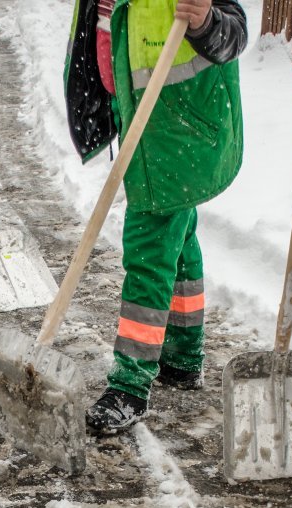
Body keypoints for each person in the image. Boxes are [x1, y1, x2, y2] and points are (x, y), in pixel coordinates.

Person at [64, 0, 247, 436]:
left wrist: (205, 20)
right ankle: (183, 356)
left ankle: (130, 384)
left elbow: (234, 34)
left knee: (149, 249)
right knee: (176, 240)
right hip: (144, 120)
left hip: (177, 125)